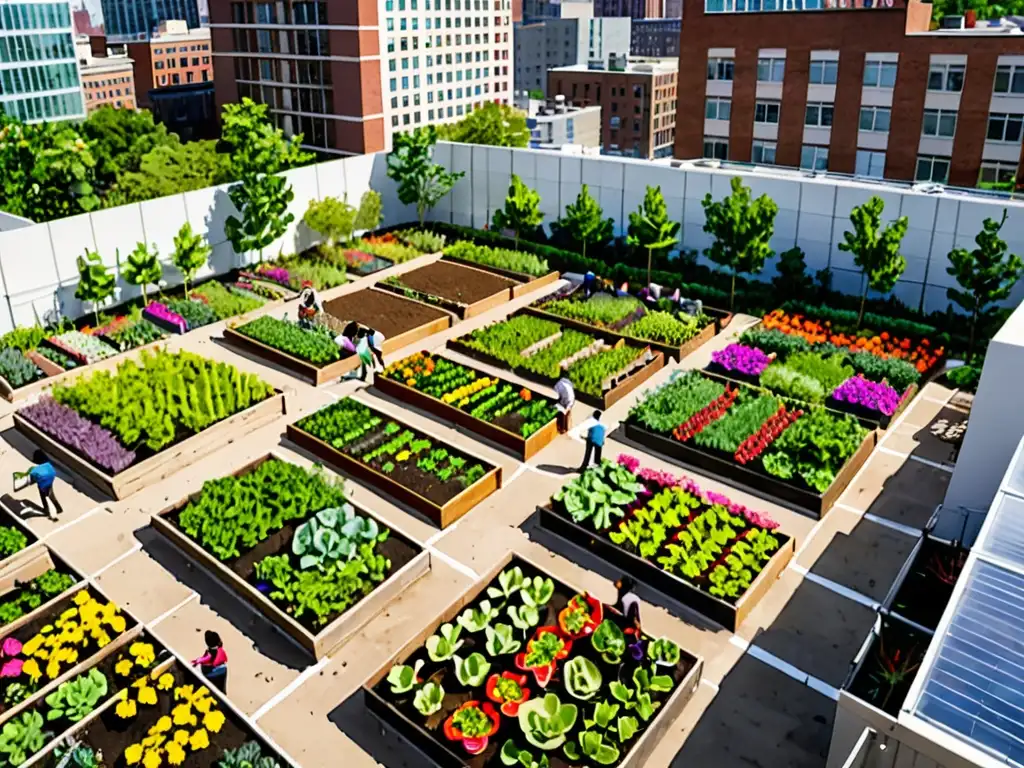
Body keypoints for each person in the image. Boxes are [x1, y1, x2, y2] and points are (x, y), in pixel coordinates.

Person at [27, 451, 62, 521]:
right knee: (51, 494)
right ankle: (58, 508)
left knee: (43, 495)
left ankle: (46, 509)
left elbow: (31, 479)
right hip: (50, 480)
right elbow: (53, 472)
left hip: (42, 484)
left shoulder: (34, 470)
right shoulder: (48, 465)